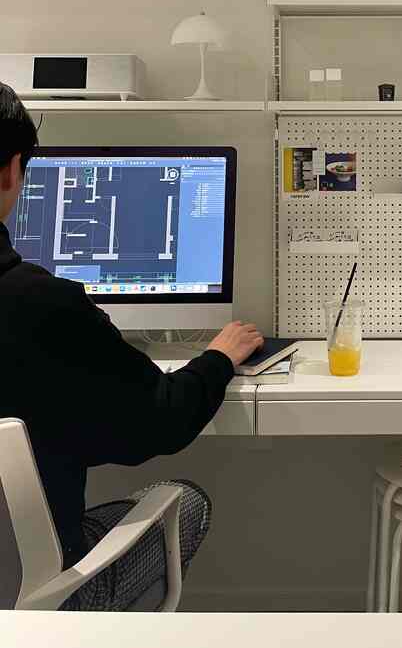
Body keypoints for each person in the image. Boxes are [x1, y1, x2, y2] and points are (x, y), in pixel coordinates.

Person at [0, 83, 263, 610]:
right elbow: (158, 422)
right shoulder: (42, 307)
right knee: (185, 501)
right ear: (11, 170)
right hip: (34, 599)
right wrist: (218, 358)